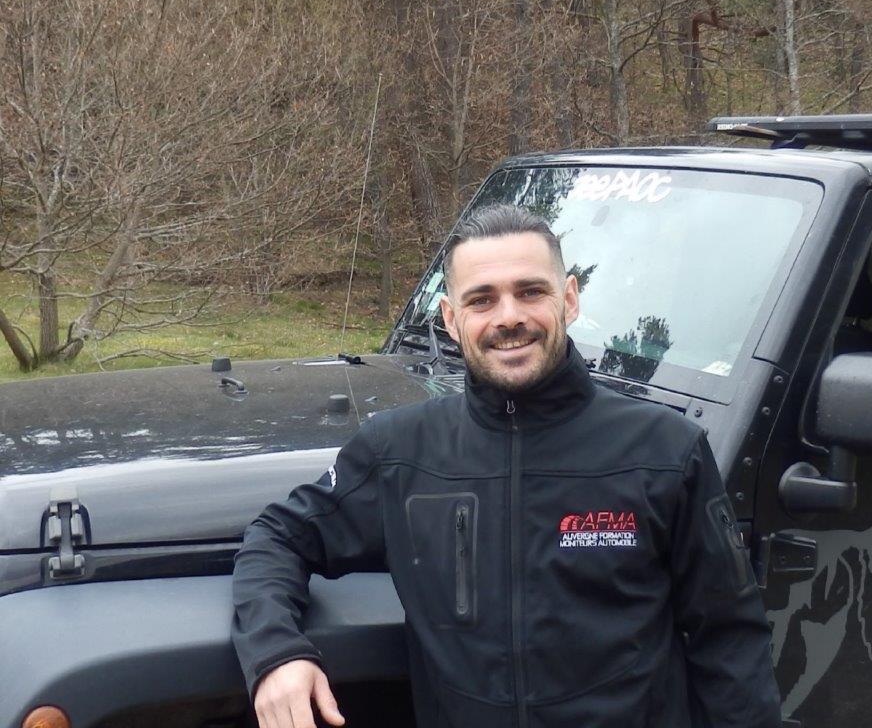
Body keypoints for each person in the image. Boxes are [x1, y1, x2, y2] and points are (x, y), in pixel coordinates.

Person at [232, 204, 781, 728]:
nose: (509, 317)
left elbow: (730, 639)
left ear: (569, 299)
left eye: (531, 291)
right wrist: (276, 653)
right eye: (482, 300)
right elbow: (278, 537)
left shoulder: (666, 450)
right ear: (451, 319)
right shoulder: (397, 451)